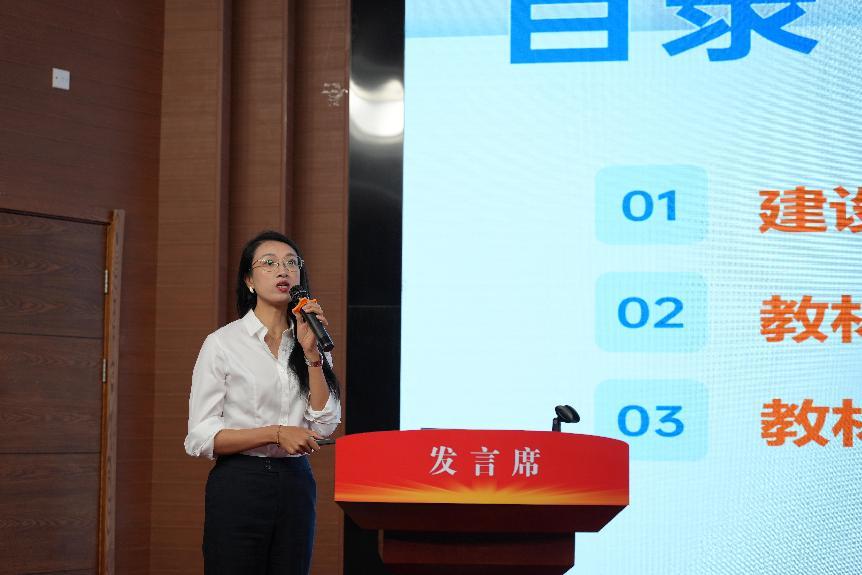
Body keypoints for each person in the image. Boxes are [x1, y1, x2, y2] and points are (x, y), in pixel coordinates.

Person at [184, 230, 342, 575]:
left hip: (296, 482)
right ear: (249, 280)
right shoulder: (223, 343)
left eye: (291, 263)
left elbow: (325, 423)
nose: (282, 270)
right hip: (240, 482)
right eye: (269, 263)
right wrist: (275, 433)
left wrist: (312, 356)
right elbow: (200, 437)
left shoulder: (310, 339)